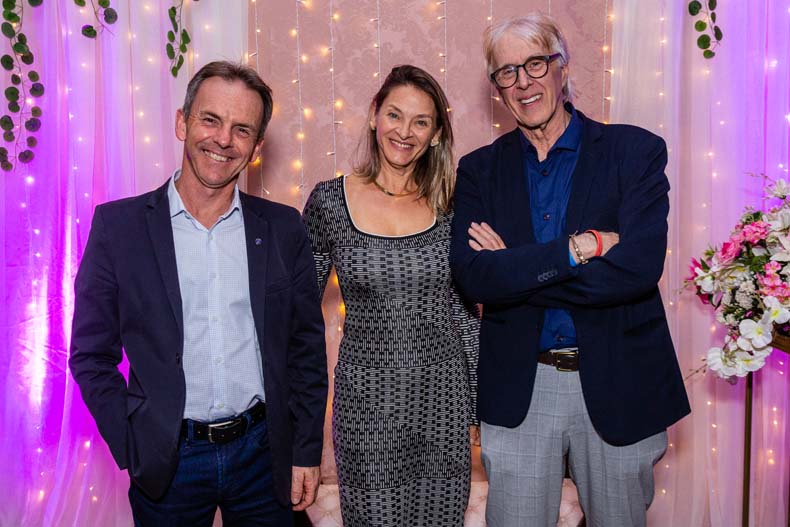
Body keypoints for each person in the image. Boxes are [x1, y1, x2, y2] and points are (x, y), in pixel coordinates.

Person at [449, 14, 691, 527]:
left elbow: (638, 269)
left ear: (562, 67)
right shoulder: (477, 170)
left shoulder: (635, 152)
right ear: (496, 88)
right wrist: (581, 248)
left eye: (536, 63)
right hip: (520, 385)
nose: (523, 82)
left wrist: (516, 270)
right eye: (507, 72)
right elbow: (474, 278)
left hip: (620, 381)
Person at [69, 61, 328, 526]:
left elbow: (304, 348)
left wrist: (305, 450)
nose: (223, 139)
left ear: (256, 147)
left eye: (241, 129)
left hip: (263, 457)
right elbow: (90, 354)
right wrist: (132, 440)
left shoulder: (283, 227)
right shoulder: (118, 228)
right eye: (210, 119)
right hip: (168, 463)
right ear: (182, 123)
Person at [302, 65, 479, 526]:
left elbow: (464, 315)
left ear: (436, 135)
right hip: (366, 407)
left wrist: (477, 408)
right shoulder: (329, 202)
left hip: (442, 402)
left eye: (421, 122)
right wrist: (296, 420)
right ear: (374, 115)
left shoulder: (451, 203)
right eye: (395, 115)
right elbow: (299, 316)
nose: (404, 132)